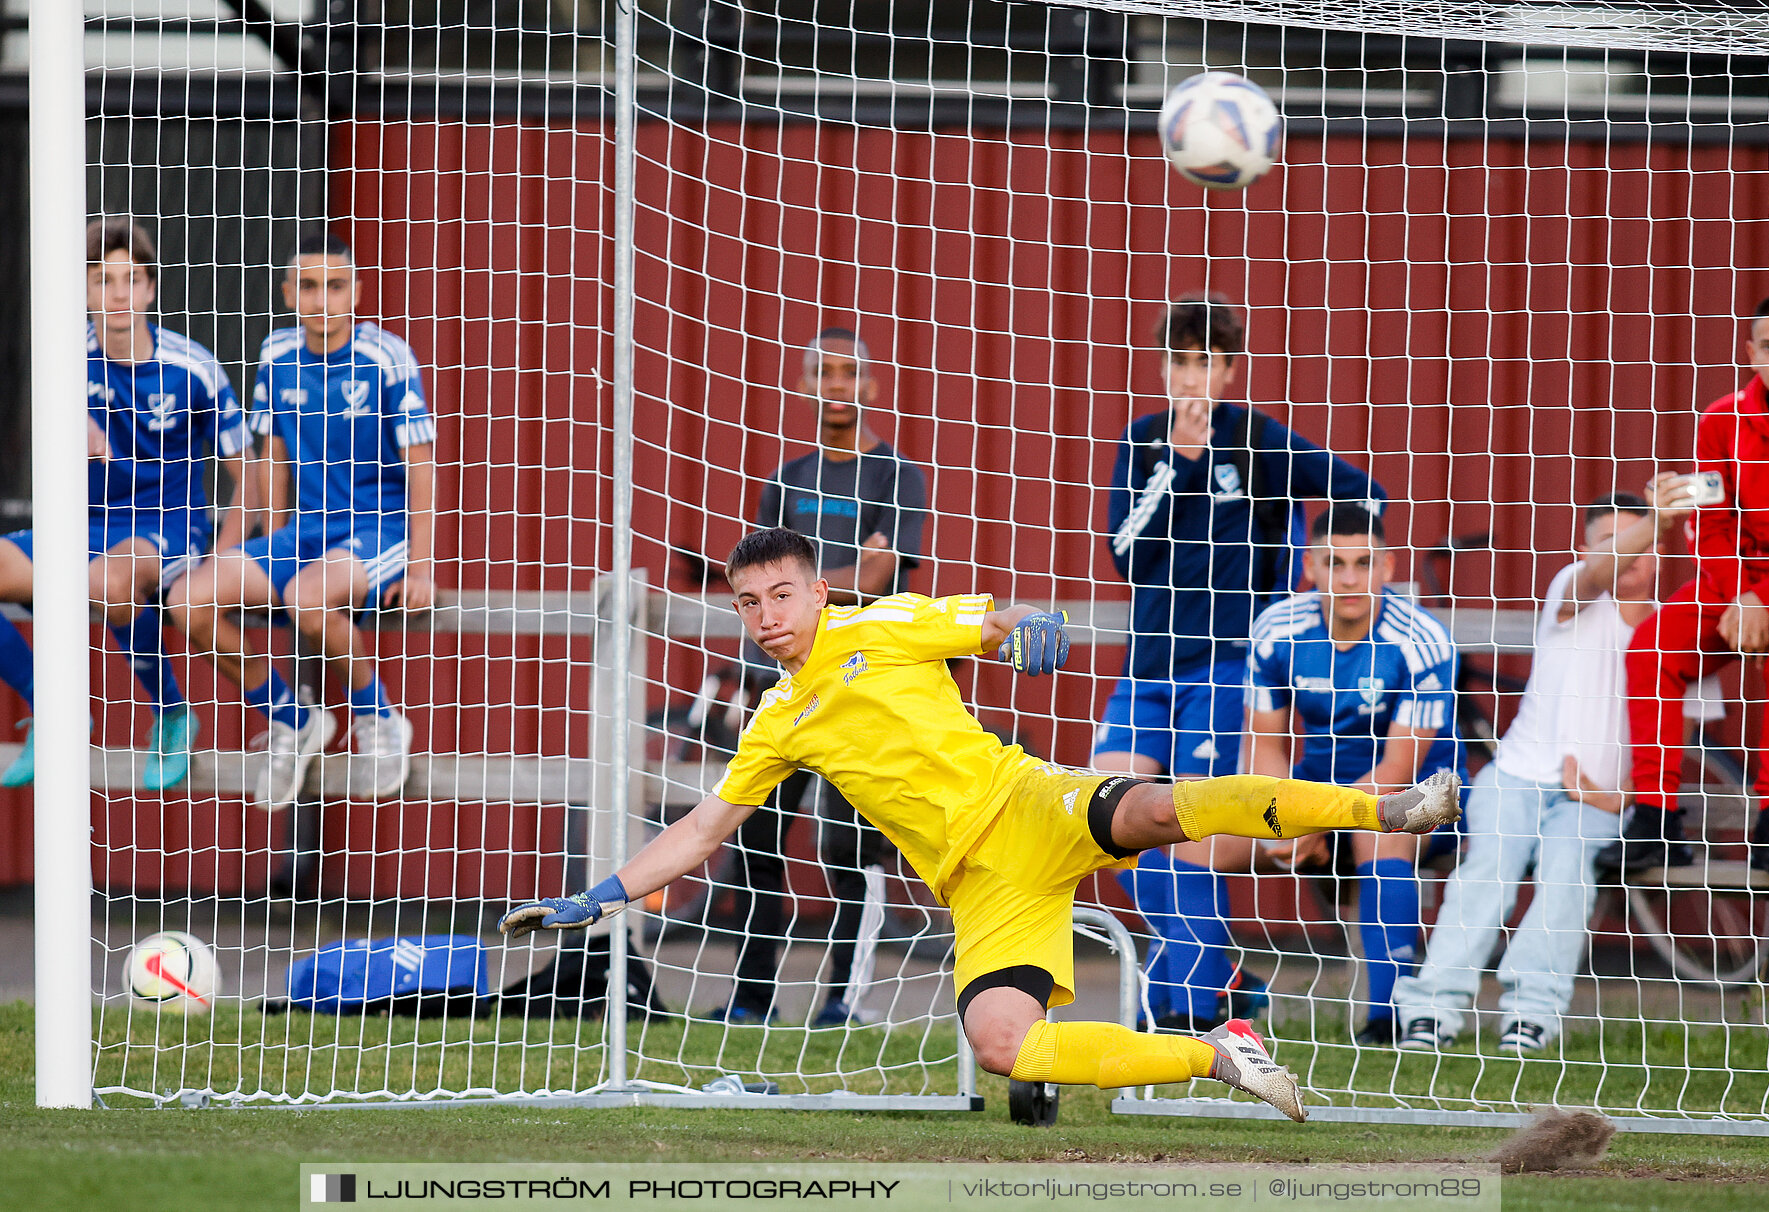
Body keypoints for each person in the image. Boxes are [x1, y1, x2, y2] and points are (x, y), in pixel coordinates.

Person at [499, 526, 1466, 1123]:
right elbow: (704, 829)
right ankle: (1222, 1054)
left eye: (780, 594)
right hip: (982, 887)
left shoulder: (884, 623)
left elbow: (997, 621)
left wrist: (1029, 621)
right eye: (747, 603)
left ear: (818, 590)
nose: (764, 615)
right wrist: (602, 894)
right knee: (1005, 1044)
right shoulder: (775, 719)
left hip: (1029, 805)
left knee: (1160, 806)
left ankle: (1382, 806)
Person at [1097, 293, 1386, 1029]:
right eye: (1178, 362)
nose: (1190, 378)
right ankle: (1220, 979)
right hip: (1147, 667)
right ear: (1162, 369)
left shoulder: (1258, 441)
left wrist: (1315, 570)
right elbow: (1127, 554)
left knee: (1187, 829)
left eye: (1206, 363)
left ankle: (1188, 1010)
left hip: (1224, 669)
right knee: (1111, 823)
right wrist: (1182, 468)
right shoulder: (1143, 442)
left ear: (1228, 371)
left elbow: (1368, 496)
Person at [1395, 483, 1690, 1053]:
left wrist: (1622, 797)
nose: (1627, 551)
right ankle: (1432, 1009)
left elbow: (1678, 745)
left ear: (1661, 551)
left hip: (1596, 799)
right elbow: (1596, 575)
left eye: (1638, 540)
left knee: (1566, 876)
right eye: (1610, 540)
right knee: (1487, 873)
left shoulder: (1675, 631)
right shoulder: (1571, 591)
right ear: (1588, 550)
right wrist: (1654, 520)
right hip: (1517, 777)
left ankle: (1531, 1014)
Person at [167, 232, 435, 812]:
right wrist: (259, 544)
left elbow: (421, 464)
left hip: (374, 530)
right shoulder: (275, 355)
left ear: (356, 293)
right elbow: (274, 460)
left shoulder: (387, 357)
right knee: (189, 599)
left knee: (307, 598)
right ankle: (294, 719)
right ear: (289, 293)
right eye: (309, 286)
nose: (322, 299)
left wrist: (421, 565)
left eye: (335, 286)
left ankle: (376, 716)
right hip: (303, 534)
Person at [717, 326, 929, 1028]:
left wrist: (803, 589)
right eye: (823, 372)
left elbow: (880, 583)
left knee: (848, 849)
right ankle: (752, 999)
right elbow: (761, 586)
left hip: (859, 685)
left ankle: (845, 999)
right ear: (805, 384)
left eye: (849, 373)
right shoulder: (788, 480)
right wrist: (764, 656)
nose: (836, 385)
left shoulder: (897, 476)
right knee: (756, 840)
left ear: (870, 385)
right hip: (785, 685)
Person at [0, 217, 250, 791]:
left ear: (150, 288)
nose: (116, 293)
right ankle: (54, 708)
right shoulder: (64, 360)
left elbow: (250, 475)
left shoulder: (194, 366)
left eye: (130, 279)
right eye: (101, 279)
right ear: (84, 290)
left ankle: (171, 713)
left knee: (105, 577)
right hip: (83, 529)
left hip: (168, 527)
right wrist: (76, 416)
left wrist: (226, 558)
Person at [1202, 505, 1464, 1047]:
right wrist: (1280, 819)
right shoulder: (1278, 629)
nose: (1349, 578)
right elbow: (1266, 747)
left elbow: (1396, 771)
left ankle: (1391, 1019)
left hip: (1417, 795)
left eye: (1363, 563)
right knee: (1189, 848)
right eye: (1334, 562)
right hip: (1312, 791)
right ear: (1311, 567)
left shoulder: (1423, 639)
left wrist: (1319, 817)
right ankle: (1193, 1002)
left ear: (1387, 567)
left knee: (1379, 833)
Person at [1609, 292, 1769, 875]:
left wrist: (1767, 603)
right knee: (1651, 649)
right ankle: (1658, 817)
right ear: (1751, 353)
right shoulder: (1722, 418)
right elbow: (1708, 521)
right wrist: (1742, 593)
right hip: (1735, 575)